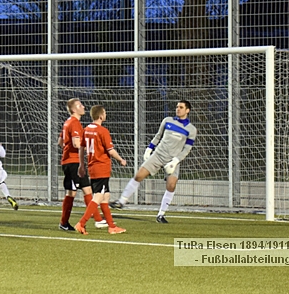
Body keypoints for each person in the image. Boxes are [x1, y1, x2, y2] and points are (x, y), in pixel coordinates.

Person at [110, 100, 197, 224]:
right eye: (177, 107)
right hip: (158, 155)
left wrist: (175, 161)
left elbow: (187, 149)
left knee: (171, 185)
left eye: (181, 107)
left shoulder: (191, 129)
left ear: (187, 110)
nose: (178, 109)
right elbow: (158, 135)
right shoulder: (167, 121)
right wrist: (149, 148)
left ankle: (161, 214)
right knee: (138, 175)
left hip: (172, 160)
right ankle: (121, 201)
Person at [74, 105, 127, 235]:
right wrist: (121, 159)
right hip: (101, 167)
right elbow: (110, 150)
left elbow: (81, 148)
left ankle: (111, 226)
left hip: (92, 166)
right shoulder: (103, 131)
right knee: (98, 196)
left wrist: (81, 165)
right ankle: (81, 223)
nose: (106, 115)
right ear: (101, 116)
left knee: (105, 196)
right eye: (105, 113)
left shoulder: (86, 130)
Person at [58, 98, 107, 231]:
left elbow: (60, 142)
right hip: (73, 162)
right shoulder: (74, 123)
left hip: (67, 161)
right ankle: (98, 220)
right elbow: (75, 143)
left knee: (71, 193)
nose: (83, 107)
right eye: (80, 105)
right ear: (74, 110)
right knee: (87, 190)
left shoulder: (67, 122)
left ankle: (64, 223)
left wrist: (67, 151)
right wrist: (89, 147)